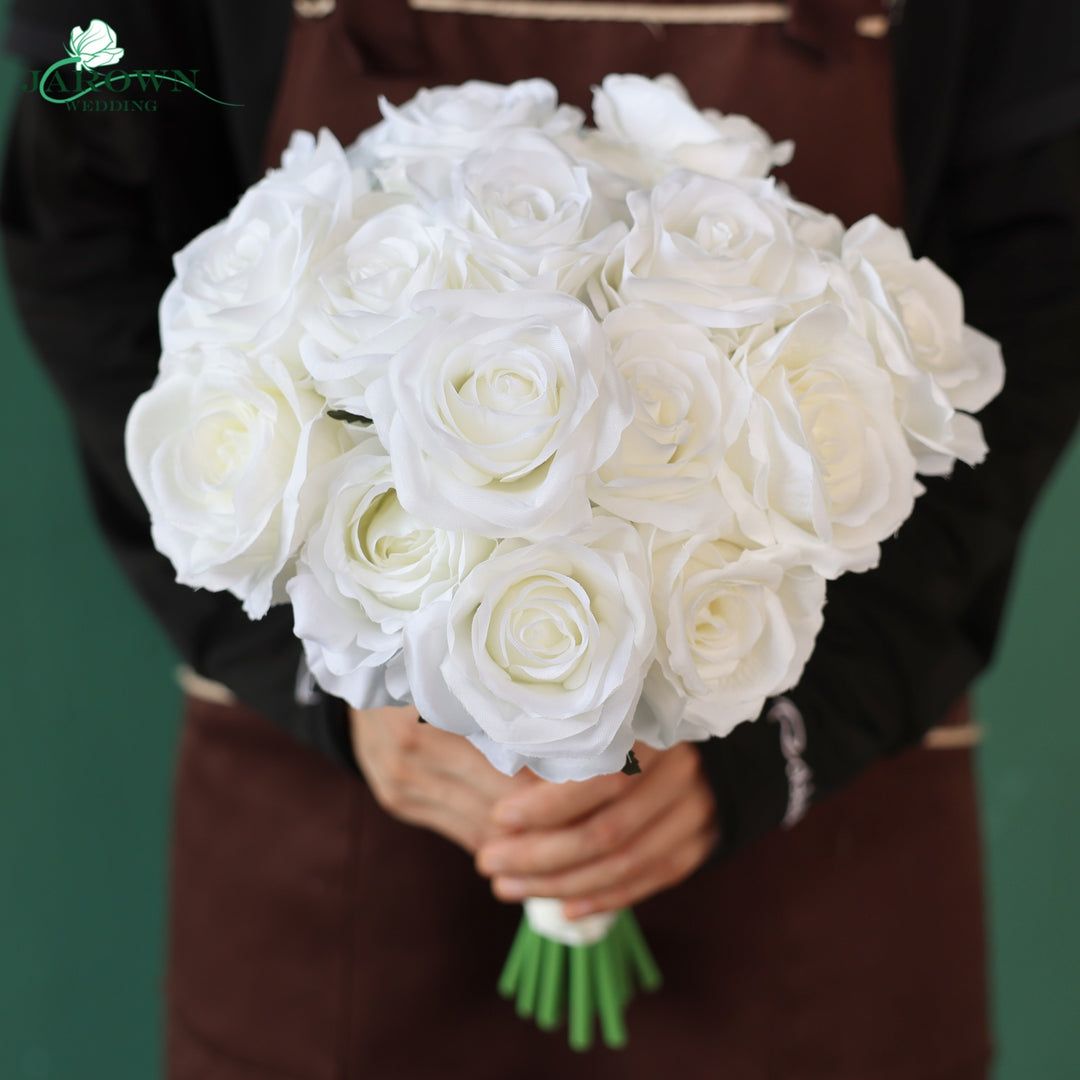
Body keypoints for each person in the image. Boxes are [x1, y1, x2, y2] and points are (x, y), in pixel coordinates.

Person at [3, 0, 1079, 1076]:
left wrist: (790, 713)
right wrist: (329, 674)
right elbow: (83, 217)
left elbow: (1041, 266)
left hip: (819, 829)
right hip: (338, 860)